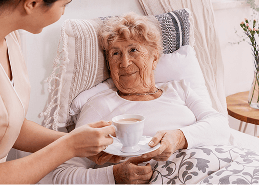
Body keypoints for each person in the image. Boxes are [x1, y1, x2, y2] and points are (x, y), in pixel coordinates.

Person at [0, 0, 116, 184]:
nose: (64, 12)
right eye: (65, 4)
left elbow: (6, 125)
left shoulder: (6, 34)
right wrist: (70, 146)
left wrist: (84, 144)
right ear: (33, 3)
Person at [52, 12, 231, 184]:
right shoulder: (99, 105)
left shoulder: (179, 89)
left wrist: (178, 138)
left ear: (154, 59)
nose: (125, 62)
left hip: (223, 169)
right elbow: (63, 174)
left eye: (133, 50)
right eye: (115, 53)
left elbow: (220, 126)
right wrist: (114, 176)